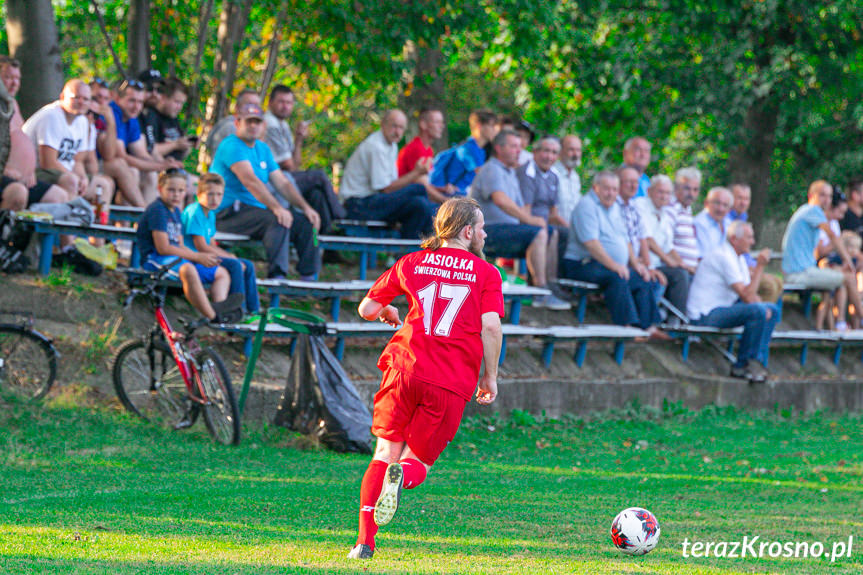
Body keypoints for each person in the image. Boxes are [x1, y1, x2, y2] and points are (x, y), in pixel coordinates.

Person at [348, 197, 503, 560]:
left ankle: (363, 543)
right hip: (449, 379)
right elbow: (491, 326)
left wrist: (388, 309)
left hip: (403, 368)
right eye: (480, 227)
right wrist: (490, 377)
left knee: (383, 452)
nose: (484, 233)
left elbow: (367, 309)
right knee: (416, 461)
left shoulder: (412, 262)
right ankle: (404, 475)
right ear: (467, 232)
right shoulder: (486, 273)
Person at [210, 102, 321, 280]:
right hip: (226, 212)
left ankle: (310, 276)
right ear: (237, 123)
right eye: (249, 122)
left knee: (307, 223)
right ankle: (277, 277)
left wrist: (306, 208)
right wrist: (277, 207)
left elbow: (283, 183)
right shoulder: (231, 145)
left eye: (257, 122)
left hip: (253, 212)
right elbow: (250, 181)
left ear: (263, 125)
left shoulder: (262, 149)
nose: (253, 126)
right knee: (277, 220)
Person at [470, 130, 570, 310]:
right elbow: (501, 200)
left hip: (505, 229)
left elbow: (520, 207)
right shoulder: (492, 169)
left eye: (519, 146)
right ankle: (539, 291)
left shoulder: (509, 172)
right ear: (499, 148)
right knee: (539, 232)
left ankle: (548, 285)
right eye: (514, 146)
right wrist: (531, 220)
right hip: (487, 231)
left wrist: (535, 221)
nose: (519, 150)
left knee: (549, 231)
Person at [561, 170, 667, 338]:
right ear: (596, 188)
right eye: (607, 189)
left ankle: (650, 327)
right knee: (617, 277)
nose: (611, 194)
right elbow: (591, 244)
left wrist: (636, 265)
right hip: (581, 264)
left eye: (614, 189)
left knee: (642, 278)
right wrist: (615, 266)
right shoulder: (587, 206)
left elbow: (625, 240)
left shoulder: (615, 208)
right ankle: (627, 327)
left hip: (605, 265)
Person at [136, 170, 242, 323]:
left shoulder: (176, 211)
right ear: (160, 189)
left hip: (176, 258)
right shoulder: (158, 210)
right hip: (155, 259)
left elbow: (179, 245)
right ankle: (213, 316)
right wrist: (197, 256)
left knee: (221, 272)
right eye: (171, 190)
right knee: (188, 269)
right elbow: (163, 248)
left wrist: (204, 258)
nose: (176, 195)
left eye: (180, 191)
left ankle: (221, 309)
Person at [687, 220, 780, 383]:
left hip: (723, 309)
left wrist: (760, 304)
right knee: (757, 311)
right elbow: (747, 297)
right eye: (749, 238)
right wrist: (759, 267)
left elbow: (750, 295)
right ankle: (743, 364)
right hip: (705, 314)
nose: (753, 242)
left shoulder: (739, 259)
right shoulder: (723, 256)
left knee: (773, 309)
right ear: (734, 239)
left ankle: (758, 362)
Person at [340, 109, 436, 238]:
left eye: (401, 128)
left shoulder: (391, 146)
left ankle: (408, 255)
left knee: (420, 205)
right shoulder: (376, 147)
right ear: (383, 124)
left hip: (374, 201)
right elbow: (385, 189)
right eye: (394, 126)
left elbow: (392, 186)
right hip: (358, 205)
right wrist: (416, 173)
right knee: (418, 189)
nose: (397, 132)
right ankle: (432, 240)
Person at [263, 84, 345, 233]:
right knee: (319, 176)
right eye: (281, 102)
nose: (285, 106)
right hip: (273, 181)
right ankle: (341, 217)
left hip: (287, 177)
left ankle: (326, 241)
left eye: (289, 103)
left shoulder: (283, 125)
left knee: (317, 195)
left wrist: (299, 139)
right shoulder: (270, 124)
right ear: (270, 103)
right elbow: (290, 166)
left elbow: (296, 163)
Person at [0, 56, 72, 211]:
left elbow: (19, 140)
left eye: (17, 78)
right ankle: (6, 234)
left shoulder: (12, 104)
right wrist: (5, 170)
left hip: (21, 176)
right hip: (5, 175)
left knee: (58, 196)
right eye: (8, 77)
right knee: (18, 192)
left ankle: (29, 236)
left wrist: (29, 169)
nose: (14, 83)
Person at [182, 173, 260, 315]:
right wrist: (230, 258)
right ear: (199, 194)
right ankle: (236, 311)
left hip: (206, 256)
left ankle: (254, 311)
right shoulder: (195, 212)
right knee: (235, 265)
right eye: (210, 194)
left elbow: (211, 244)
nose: (215, 199)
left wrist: (229, 256)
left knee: (248, 265)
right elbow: (201, 247)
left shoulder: (210, 214)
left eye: (219, 195)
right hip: (194, 259)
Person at [100, 78, 181, 206]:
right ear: (117, 99)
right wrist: (160, 166)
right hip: (98, 163)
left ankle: (143, 221)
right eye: (131, 100)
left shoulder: (132, 118)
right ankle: (140, 215)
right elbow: (121, 156)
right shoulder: (114, 112)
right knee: (132, 171)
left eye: (140, 102)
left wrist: (164, 164)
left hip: (112, 166)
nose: (136, 106)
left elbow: (141, 154)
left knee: (150, 175)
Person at [782, 180, 854, 294]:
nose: (826, 200)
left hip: (804, 270)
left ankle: (830, 312)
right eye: (822, 195)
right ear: (811, 195)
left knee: (838, 283)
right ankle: (859, 312)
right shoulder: (812, 210)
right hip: (799, 273)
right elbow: (833, 236)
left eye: (829, 196)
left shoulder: (805, 210)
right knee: (849, 278)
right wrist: (848, 260)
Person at [633, 174, 691, 313]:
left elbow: (668, 246)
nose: (664, 196)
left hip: (658, 263)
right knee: (675, 275)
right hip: (643, 262)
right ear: (649, 191)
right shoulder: (641, 205)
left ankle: (678, 320)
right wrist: (669, 261)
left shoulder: (664, 213)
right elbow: (647, 239)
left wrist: (681, 262)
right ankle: (669, 320)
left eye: (668, 193)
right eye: (660, 192)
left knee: (683, 273)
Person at [429, 108, 497, 194]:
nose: (495, 130)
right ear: (479, 126)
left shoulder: (481, 151)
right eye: (492, 125)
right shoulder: (467, 149)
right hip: (451, 197)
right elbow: (482, 174)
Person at [201, 89, 261, 172]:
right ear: (237, 108)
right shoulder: (231, 127)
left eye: (256, 105)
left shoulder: (253, 129)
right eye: (249, 104)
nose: (253, 109)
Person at [663, 166, 701, 274]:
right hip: (677, 270)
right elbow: (666, 243)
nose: (691, 194)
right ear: (676, 188)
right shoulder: (671, 209)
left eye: (695, 190)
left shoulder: (687, 210)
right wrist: (683, 265)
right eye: (687, 189)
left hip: (690, 271)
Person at [551, 134, 583, 225]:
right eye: (571, 149)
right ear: (560, 152)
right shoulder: (552, 174)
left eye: (578, 150)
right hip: (557, 230)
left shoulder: (575, 177)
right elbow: (552, 214)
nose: (575, 154)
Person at [693, 186, 733, 257]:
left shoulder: (729, 224)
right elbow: (702, 257)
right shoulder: (699, 224)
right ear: (706, 203)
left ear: (730, 209)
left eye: (725, 205)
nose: (721, 209)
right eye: (717, 203)